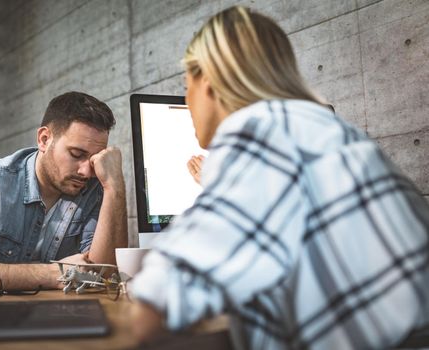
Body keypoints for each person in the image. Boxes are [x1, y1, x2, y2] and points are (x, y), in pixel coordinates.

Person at [129, 6, 429, 349]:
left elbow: (153, 308)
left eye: (187, 86)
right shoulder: (324, 128)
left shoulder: (259, 130)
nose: (186, 99)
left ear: (208, 81)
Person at [0, 91, 128, 291]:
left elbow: (105, 275)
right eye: (76, 154)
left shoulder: (95, 186)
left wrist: (115, 186)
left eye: (94, 159)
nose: (86, 171)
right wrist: (52, 273)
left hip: (61, 315)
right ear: (44, 139)